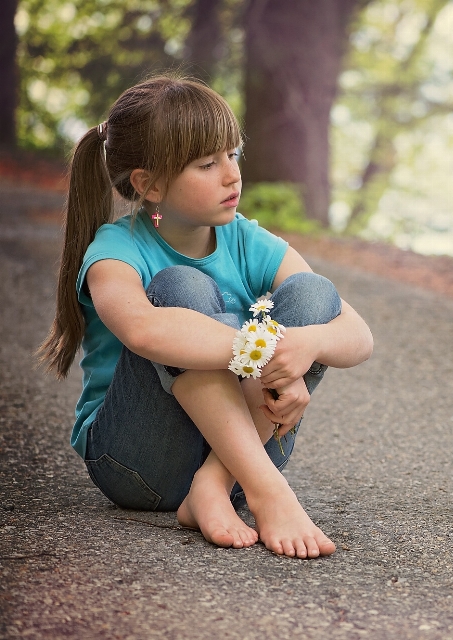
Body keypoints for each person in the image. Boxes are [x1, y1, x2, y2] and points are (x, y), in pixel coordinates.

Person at [38, 76, 374, 559]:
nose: (232, 175)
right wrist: (266, 355)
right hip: (139, 463)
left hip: (237, 460)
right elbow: (144, 330)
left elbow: (357, 335)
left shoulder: (245, 239)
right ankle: (269, 492)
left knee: (313, 293)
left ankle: (213, 486)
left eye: (233, 155)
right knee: (181, 288)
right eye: (207, 164)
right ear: (148, 184)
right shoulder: (116, 250)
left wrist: (307, 347)